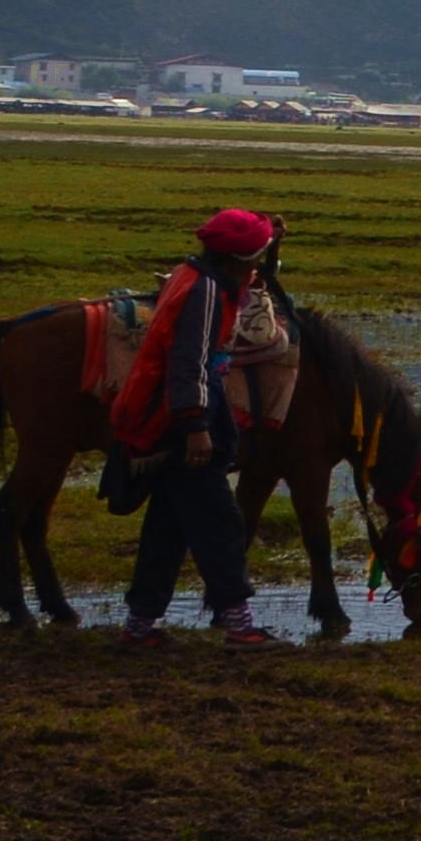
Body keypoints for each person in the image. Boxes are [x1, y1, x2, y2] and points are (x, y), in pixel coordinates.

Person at [113, 208, 286, 649]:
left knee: (168, 525)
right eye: (257, 254)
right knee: (221, 523)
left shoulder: (197, 275)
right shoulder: (207, 292)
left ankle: (139, 626)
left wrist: (274, 246)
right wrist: (195, 427)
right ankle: (238, 623)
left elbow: (248, 276)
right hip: (179, 419)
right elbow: (187, 362)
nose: (258, 263)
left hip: (165, 413)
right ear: (240, 258)